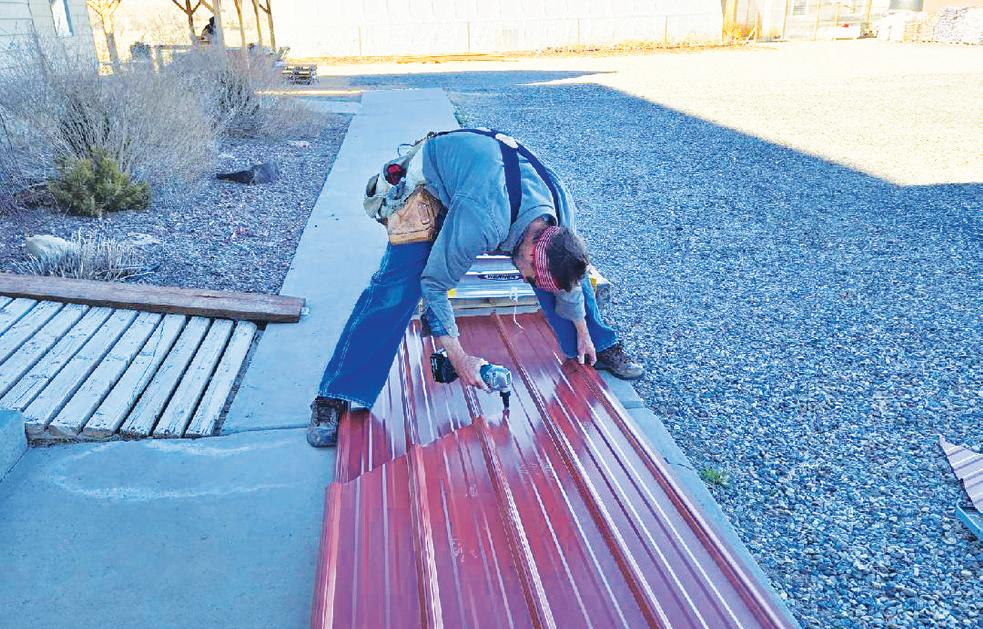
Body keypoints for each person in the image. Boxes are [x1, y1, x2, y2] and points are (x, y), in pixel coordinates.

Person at [307, 129, 643, 447]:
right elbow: (434, 284)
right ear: (529, 250)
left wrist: (581, 330)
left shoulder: (560, 214)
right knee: (397, 287)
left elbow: (568, 281)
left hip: (489, 179)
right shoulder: (484, 220)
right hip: (433, 180)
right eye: (529, 276)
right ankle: (335, 395)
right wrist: (460, 358)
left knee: (564, 271)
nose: (529, 283)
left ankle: (597, 344)